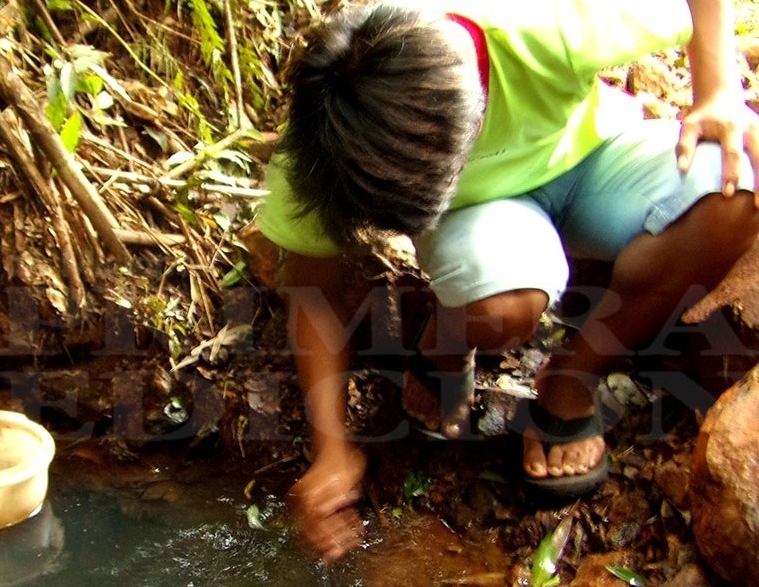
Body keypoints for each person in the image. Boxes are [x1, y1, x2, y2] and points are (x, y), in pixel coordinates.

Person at [257, 0, 759, 563]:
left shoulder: (552, 26)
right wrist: (331, 448)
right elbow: (312, 287)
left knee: (738, 186)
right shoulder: (331, 138)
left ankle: (572, 378)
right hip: (488, 214)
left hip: (586, 156)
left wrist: (718, 91)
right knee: (503, 306)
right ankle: (449, 337)